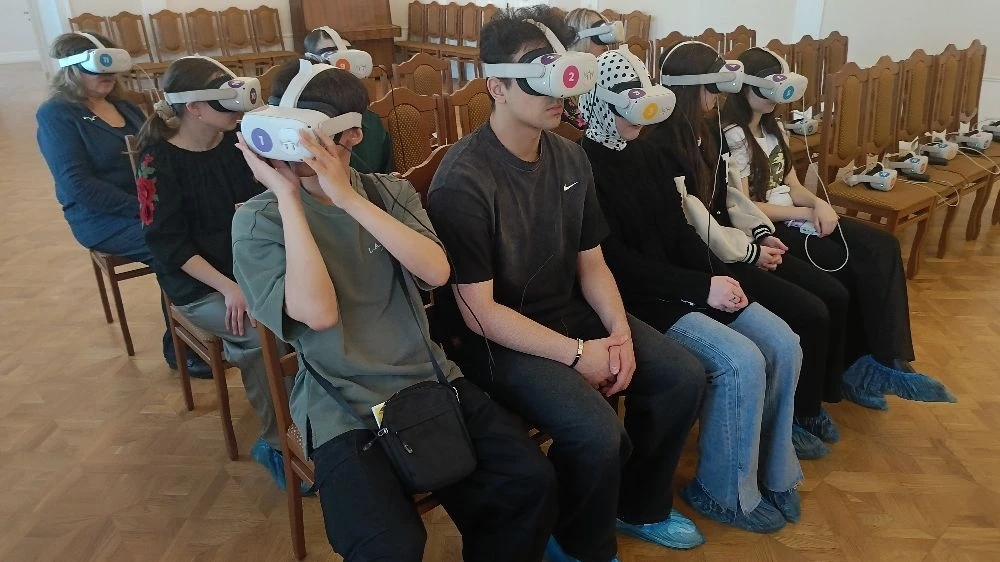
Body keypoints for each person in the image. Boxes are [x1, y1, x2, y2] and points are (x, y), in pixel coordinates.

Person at [231, 59, 558, 561]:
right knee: (388, 544)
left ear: (352, 135)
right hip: (340, 404)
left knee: (527, 481)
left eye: (314, 136)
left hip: (428, 380)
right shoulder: (259, 222)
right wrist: (289, 199)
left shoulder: (387, 192)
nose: (296, 150)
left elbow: (436, 272)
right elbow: (318, 314)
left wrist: (348, 198)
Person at [427, 8, 708, 561]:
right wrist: (578, 354)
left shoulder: (570, 156)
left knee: (681, 376)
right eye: (540, 77)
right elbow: (479, 312)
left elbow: (592, 262)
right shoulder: (464, 180)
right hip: (496, 338)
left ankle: (637, 505)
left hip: (567, 310)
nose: (559, 92)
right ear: (497, 86)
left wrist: (619, 333)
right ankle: (577, 542)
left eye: (562, 74)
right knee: (599, 434)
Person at [579, 47, 804, 534]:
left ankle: (772, 470)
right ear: (601, 103)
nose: (642, 115)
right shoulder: (583, 164)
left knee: (783, 341)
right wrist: (702, 287)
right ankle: (725, 492)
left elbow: (679, 231)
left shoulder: (647, 152)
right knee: (740, 360)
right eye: (629, 104)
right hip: (638, 300)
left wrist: (720, 279)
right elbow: (616, 263)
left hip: (682, 285)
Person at [720, 47, 955, 411]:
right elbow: (747, 205)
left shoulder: (773, 127)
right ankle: (851, 369)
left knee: (881, 246)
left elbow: (792, 183)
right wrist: (802, 212)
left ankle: (887, 360)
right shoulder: (733, 136)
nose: (774, 97)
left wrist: (819, 204)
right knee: (843, 266)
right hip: (770, 226)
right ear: (744, 87)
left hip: (798, 213)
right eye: (766, 87)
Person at [643, 40, 845, 459]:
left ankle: (798, 413)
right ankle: (790, 419)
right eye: (712, 89)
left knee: (821, 301)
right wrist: (749, 253)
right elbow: (693, 222)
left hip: (731, 246)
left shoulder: (706, 132)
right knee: (806, 313)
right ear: (692, 89)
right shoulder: (661, 145)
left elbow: (728, 198)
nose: (718, 98)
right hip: (709, 257)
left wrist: (761, 234)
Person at [134, 56, 288, 488]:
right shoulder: (157, 160)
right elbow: (167, 243)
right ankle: (279, 441)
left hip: (251, 267)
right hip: (200, 283)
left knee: (315, 310)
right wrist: (230, 288)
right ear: (195, 109)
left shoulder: (238, 142)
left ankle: (322, 417)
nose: (237, 110)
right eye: (225, 103)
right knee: (261, 336)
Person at [35, 32, 209, 375]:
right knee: (172, 245)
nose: (109, 76)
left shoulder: (125, 106)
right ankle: (181, 348)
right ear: (72, 70)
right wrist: (147, 209)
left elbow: (156, 153)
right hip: (100, 217)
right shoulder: (56, 114)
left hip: (148, 204)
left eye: (112, 68)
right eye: (99, 68)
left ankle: (212, 328)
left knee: (206, 226)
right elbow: (78, 185)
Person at [303, 26, 394, 173]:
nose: (342, 69)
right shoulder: (304, 128)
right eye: (331, 56)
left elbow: (386, 176)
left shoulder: (371, 122)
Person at [560, 9, 614, 130]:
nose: (606, 44)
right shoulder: (560, 92)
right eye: (599, 35)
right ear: (576, 38)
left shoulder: (606, 76)